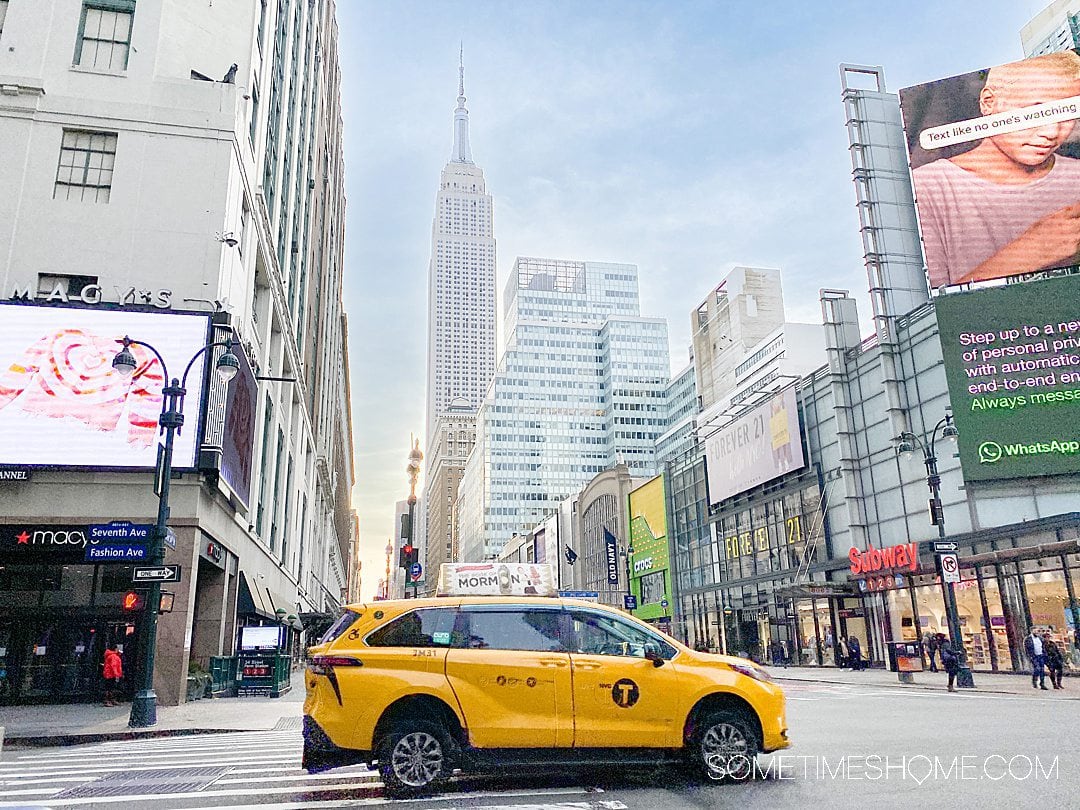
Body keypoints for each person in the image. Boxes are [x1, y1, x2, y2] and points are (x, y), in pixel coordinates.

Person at [910, 50, 1080, 287]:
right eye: (1036, 112)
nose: (1051, 132)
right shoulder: (927, 187)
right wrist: (1026, 254)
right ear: (988, 102)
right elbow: (930, 313)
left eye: (1068, 114)